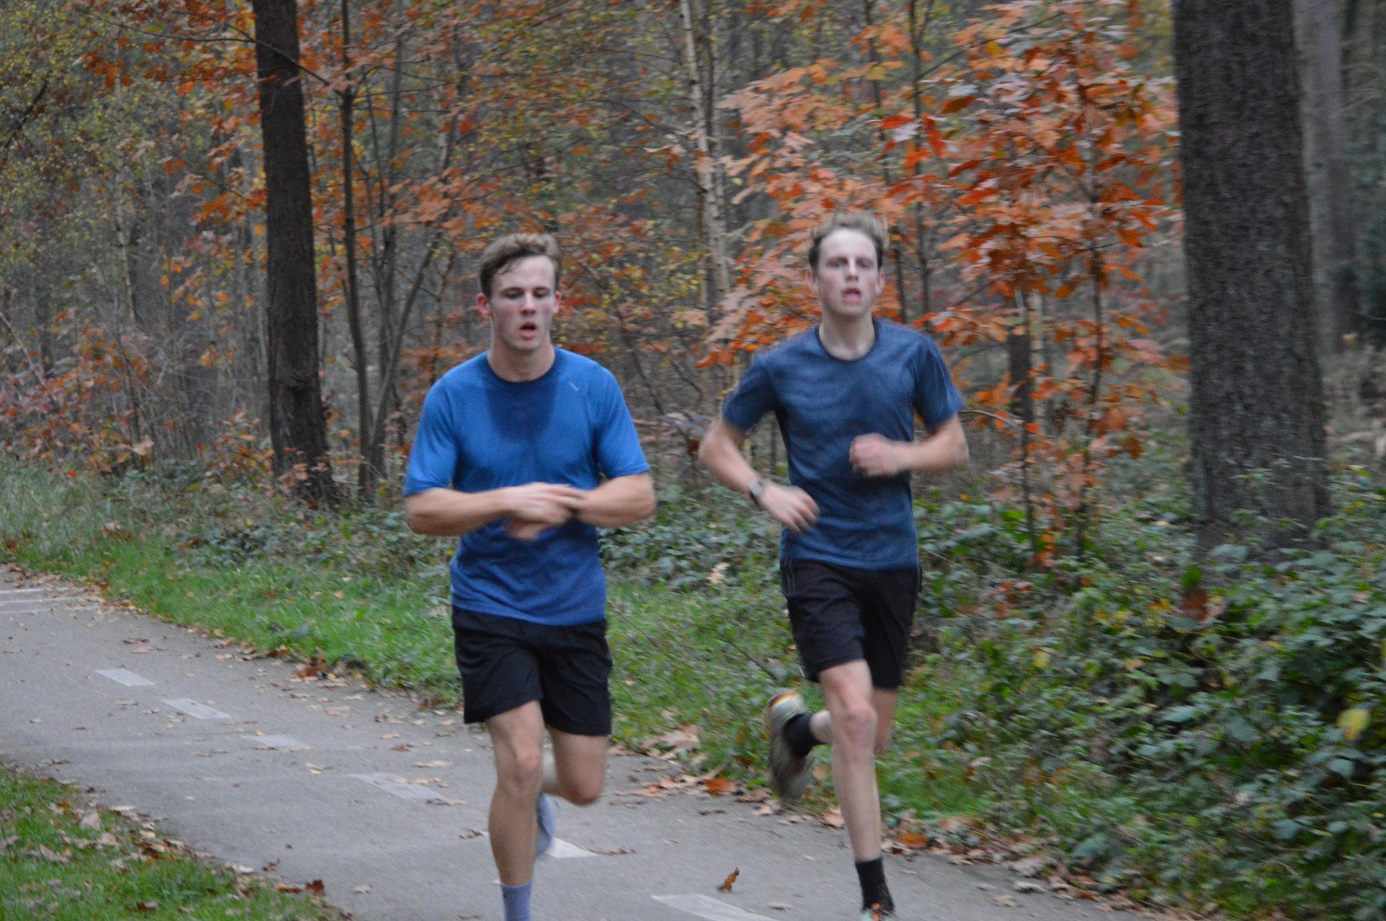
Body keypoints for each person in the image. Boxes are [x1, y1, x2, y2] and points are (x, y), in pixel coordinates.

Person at [698, 211, 968, 921]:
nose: (849, 274)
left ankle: (794, 732)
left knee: (870, 733)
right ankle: (875, 897)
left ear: (879, 279)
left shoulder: (913, 354)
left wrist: (899, 454)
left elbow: (953, 444)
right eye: (836, 263)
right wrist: (765, 490)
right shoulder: (780, 366)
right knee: (852, 717)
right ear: (814, 279)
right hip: (818, 555)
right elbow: (716, 446)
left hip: (893, 560)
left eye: (861, 264)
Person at [404, 233, 654, 921]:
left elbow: (638, 495)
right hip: (489, 604)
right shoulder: (454, 395)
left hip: (574, 608)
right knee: (516, 758)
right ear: (485, 305)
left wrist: (566, 501)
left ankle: (529, 792)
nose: (528, 307)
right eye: (513, 294)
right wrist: (506, 501)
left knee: (585, 781)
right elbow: (423, 508)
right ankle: (519, 910)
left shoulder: (591, 385)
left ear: (557, 303)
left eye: (541, 294)